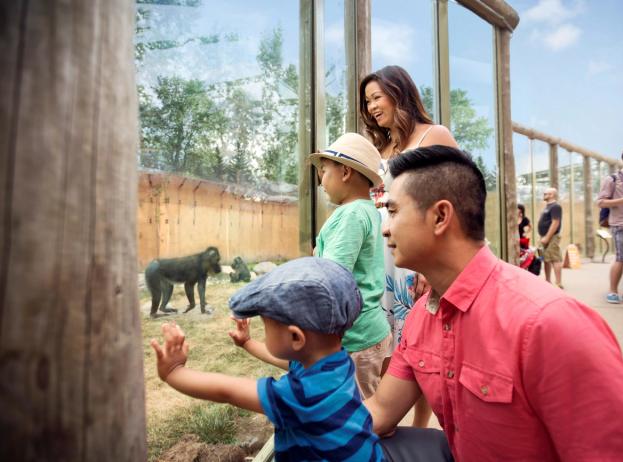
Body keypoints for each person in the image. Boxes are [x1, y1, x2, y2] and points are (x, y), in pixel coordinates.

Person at [363, 145, 623, 461]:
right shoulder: (422, 316)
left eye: (394, 211)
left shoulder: (551, 324)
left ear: (440, 216)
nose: (385, 228)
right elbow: (382, 411)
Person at [151, 257, 386, 461]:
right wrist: (247, 343)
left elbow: (227, 391)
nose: (264, 329)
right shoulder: (337, 363)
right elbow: (288, 363)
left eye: (266, 324)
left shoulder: (301, 395)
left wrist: (174, 372)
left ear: (296, 337)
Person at [360, 65, 458, 427]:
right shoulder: (381, 147)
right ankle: (392, 421)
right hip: (382, 254)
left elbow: (454, 195)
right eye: (366, 102)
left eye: (376, 97)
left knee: (421, 342)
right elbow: (377, 203)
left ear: (398, 92)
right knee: (390, 339)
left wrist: (429, 267)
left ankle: (420, 427)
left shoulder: (434, 135)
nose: (370, 107)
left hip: (419, 255)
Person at [307, 132, 392, 399]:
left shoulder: (350, 215)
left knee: (359, 415)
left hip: (355, 338)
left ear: (345, 172)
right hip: (370, 328)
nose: (321, 181)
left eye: (324, 171)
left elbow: (333, 276)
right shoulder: (368, 210)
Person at [596, 145, 623, 304]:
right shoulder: (612, 179)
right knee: (621, 259)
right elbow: (600, 202)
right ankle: (613, 291)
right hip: (621, 225)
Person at [537, 187, 563, 288]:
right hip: (544, 236)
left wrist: (547, 237)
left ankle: (558, 283)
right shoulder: (547, 206)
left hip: (552, 237)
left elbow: (555, 222)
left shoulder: (555, 207)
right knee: (546, 258)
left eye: (546, 194)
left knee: (554, 258)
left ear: (552, 195)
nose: (544, 195)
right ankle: (547, 281)